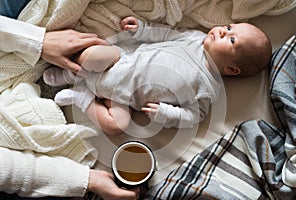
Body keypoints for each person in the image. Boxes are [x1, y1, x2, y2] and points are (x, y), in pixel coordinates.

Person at [43, 16, 272, 136]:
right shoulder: (194, 38)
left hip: (123, 98)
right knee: (96, 53)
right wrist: (141, 29)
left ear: (232, 69)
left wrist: (166, 113)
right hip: (119, 61)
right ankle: (71, 73)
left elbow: (193, 117)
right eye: (230, 27)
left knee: (116, 125)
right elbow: (162, 34)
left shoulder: (209, 89)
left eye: (231, 39)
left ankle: (82, 98)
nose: (224, 30)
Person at [0, 14, 140, 200]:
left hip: (126, 73)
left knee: (92, 54)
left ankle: (74, 77)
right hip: (126, 67)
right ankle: (80, 91)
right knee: (115, 124)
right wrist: (88, 180)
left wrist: (38, 41)